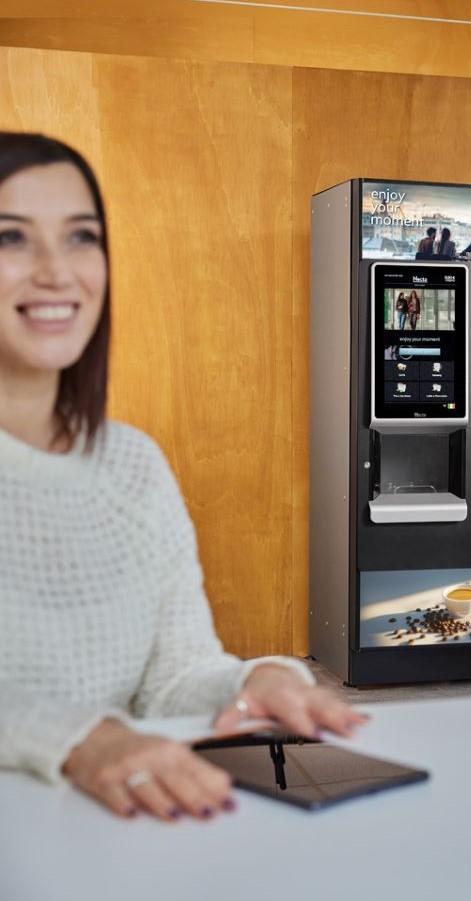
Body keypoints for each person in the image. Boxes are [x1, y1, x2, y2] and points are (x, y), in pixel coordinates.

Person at [0, 132, 367, 823]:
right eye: (11, 238)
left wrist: (255, 680)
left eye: (81, 237)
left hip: (106, 834)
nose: (56, 271)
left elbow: (173, 677)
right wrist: (83, 740)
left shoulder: (133, 464)